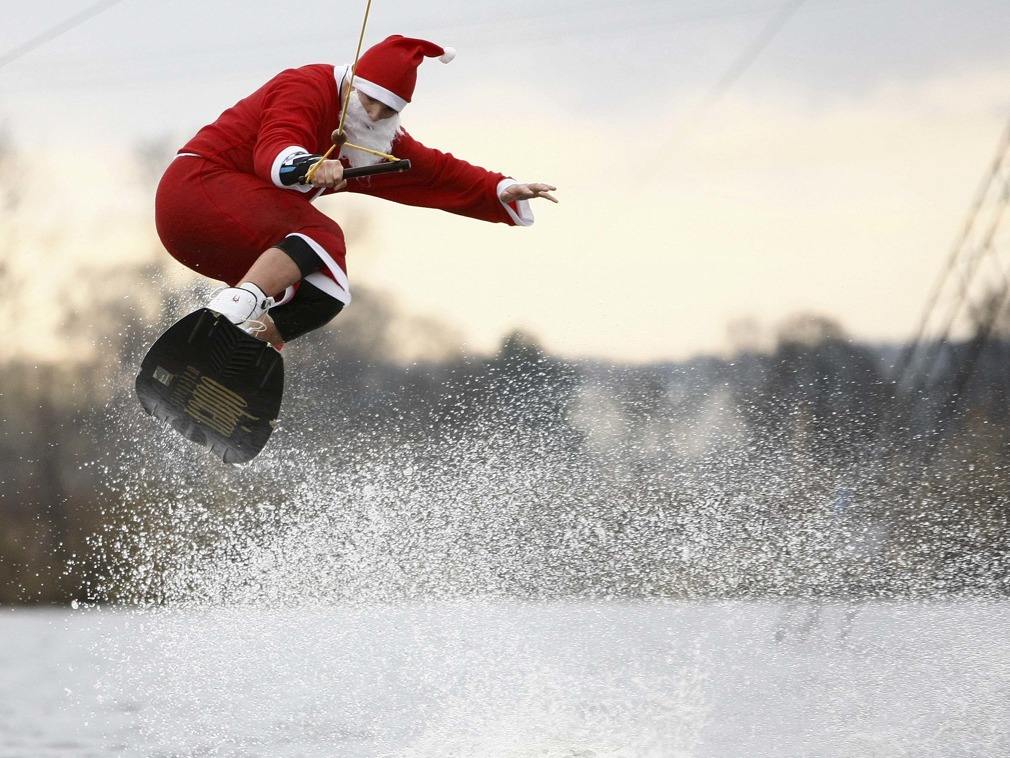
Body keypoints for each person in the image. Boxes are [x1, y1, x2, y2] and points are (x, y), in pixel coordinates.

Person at [155, 35, 558, 347]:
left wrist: (500, 188)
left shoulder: (375, 139)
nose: (375, 115)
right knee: (323, 239)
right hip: (195, 194)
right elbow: (276, 146)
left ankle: (239, 347)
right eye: (369, 101)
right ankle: (226, 314)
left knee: (324, 295)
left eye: (389, 110)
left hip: (227, 233)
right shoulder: (306, 85)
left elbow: (434, 172)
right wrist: (311, 165)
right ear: (353, 82)